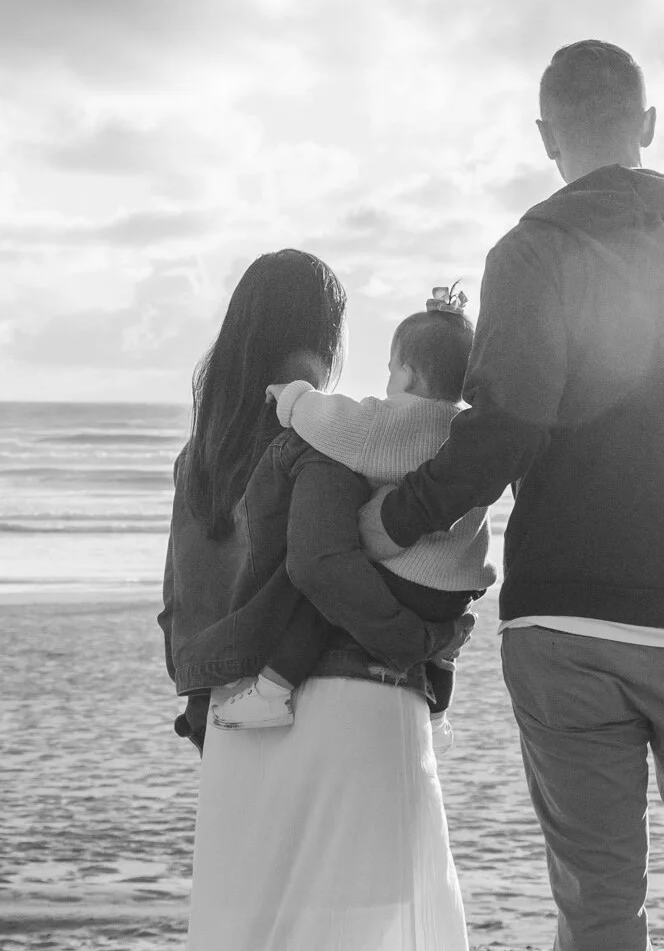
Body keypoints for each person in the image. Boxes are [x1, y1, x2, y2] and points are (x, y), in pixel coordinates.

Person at [363, 40, 664, 949]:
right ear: (646, 125)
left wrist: (396, 516)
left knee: (599, 905)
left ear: (545, 136)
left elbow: (506, 425)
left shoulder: (530, 254)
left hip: (568, 625)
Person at [158, 248, 473, 951]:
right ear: (328, 333)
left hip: (233, 717)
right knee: (374, 925)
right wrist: (423, 642)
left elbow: (181, 601)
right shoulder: (324, 432)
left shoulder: (200, 455)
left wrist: (202, 701)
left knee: (247, 930)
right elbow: (326, 569)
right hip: (347, 699)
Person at [212, 287, 492, 736]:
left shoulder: (392, 421)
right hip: (457, 588)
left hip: (408, 578)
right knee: (441, 642)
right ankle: (438, 709)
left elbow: (335, 422)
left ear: (408, 373)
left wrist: (294, 396)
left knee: (322, 595)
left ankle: (272, 692)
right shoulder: (467, 430)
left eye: (389, 369)